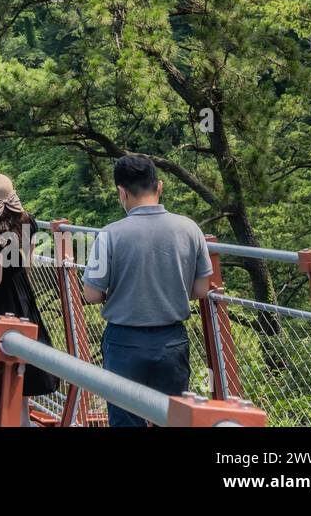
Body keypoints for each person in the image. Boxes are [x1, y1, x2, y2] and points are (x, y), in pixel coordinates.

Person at [82, 154, 213, 427]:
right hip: (172, 340)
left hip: (124, 341)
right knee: (174, 419)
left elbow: (92, 294)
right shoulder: (190, 228)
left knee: (125, 420)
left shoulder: (109, 234)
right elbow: (202, 288)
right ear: (159, 186)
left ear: (122, 192)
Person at [0, 173, 60, 420]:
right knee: (20, 370)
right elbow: (26, 262)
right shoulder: (27, 223)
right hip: (22, 297)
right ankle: (21, 418)